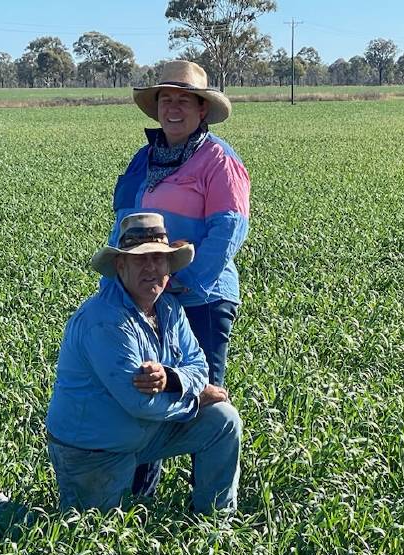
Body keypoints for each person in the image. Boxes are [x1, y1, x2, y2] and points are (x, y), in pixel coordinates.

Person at [0, 213, 242, 522]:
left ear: (169, 265)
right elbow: (139, 402)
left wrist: (173, 379)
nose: (151, 268)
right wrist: (195, 397)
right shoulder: (105, 321)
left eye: (159, 258)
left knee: (222, 420)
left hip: (142, 433)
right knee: (82, 537)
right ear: (121, 266)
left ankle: (215, 523)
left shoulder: (169, 307)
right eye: (141, 260)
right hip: (93, 449)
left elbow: (198, 365)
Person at [110, 60, 251, 496]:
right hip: (147, 296)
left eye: (183, 100)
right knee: (145, 385)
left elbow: (229, 227)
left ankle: (207, 505)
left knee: (202, 396)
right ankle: (138, 497)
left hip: (201, 297)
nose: (173, 108)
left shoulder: (218, 159)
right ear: (156, 108)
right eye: (165, 99)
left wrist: (190, 280)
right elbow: (122, 224)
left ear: (202, 109)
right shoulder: (143, 159)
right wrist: (118, 284)